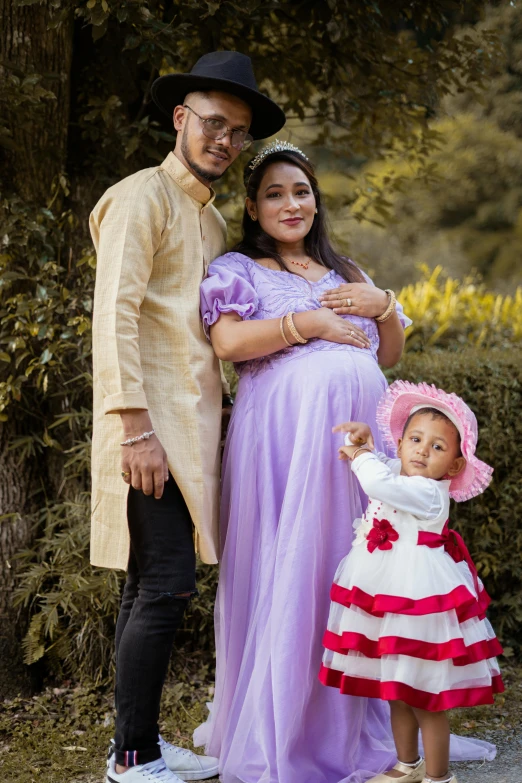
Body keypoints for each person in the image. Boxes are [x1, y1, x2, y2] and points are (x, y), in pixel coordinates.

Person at [90, 51, 285, 783]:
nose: (225, 141)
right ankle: (131, 758)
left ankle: (136, 742)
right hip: (147, 431)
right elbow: (114, 318)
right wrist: (134, 427)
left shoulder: (204, 222)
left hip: (188, 430)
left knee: (148, 585)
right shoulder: (141, 197)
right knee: (167, 582)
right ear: (180, 119)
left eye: (237, 132)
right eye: (213, 123)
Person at [320, 381, 504, 783]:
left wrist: (358, 455)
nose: (423, 450)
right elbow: (387, 470)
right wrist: (368, 444)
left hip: (420, 599)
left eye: (438, 447)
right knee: (396, 688)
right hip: (388, 596)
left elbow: (380, 483)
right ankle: (408, 765)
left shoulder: (428, 492)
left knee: (426, 697)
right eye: (415, 440)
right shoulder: (401, 471)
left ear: (454, 466)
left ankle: (440, 778)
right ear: (400, 444)